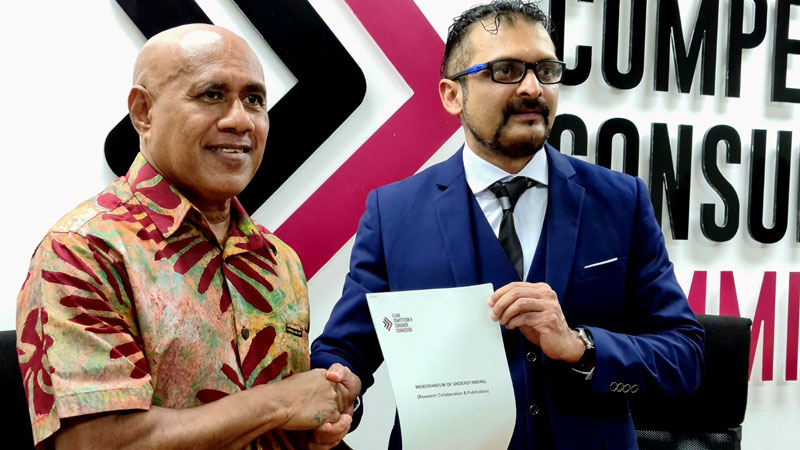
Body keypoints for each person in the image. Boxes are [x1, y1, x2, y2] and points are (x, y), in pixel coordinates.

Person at [311, 1, 704, 448]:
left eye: (546, 71)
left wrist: (581, 345)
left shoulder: (620, 201)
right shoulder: (393, 213)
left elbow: (685, 356)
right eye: (506, 71)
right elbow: (345, 350)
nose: (533, 88)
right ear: (452, 95)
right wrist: (337, 394)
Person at [16, 24, 358, 450]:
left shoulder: (278, 258)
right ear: (143, 112)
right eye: (212, 94)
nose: (240, 120)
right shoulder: (82, 251)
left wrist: (314, 426)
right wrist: (279, 404)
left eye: (254, 99)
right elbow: (95, 444)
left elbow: (283, 416)